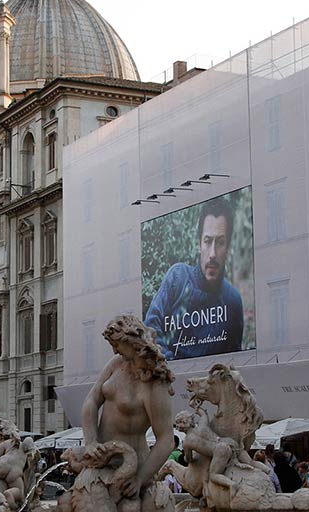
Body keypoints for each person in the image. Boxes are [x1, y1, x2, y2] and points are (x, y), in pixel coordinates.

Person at [80, 315, 176, 508]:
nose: (114, 350)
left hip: (132, 468)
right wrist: (90, 441)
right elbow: (91, 401)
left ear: (131, 342)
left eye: (116, 345)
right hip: (100, 461)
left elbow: (165, 438)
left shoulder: (155, 383)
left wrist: (140, 478)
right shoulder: (116, 363)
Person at [143, 198, 245, 360]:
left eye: (220, 242)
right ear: (199, 244)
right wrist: (173, 366)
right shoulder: (177, 277)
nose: (212, 253)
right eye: (207, 241)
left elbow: (234, 362)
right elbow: (149, 329)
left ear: (228, 248)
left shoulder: (233, 301)